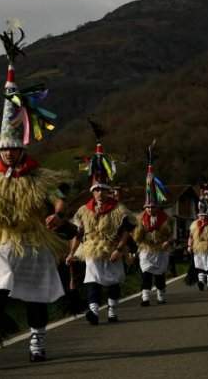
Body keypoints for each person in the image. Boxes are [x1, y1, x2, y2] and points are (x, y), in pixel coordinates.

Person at [0, 22, 66, 369]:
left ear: (21, 149)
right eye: (3, 149)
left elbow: (57, 198)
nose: (8, 153)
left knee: (35, 295)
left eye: (13, 149)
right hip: (2, 242)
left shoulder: (38, 176)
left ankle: (37, 342)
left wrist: (57, 213)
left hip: (33, 242)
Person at [67, 123, 135, 325]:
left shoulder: (118, 209)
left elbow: (126, 230)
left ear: (108, 191)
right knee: (92, 280)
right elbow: (79, 233)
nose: (99, 194)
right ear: (92, 191)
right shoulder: (83, 211)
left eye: (103, 190)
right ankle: (94, 311)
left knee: (113, 281)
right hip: (91, 248)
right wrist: (72, 252)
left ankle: (112, 310)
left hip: (112, 247)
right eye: (96, 190)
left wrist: (120, 249)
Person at [133, 141, 174, 306]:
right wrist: (138, 238)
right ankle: (145, 297)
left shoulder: (165, 219)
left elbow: (170, 235)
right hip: (147, 249)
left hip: (160, 250)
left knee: (160, 274)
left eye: (153, 206)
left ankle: (161, 294)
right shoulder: (140, 219)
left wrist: (166, 242)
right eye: (148, 207)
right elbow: (136, 235)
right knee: (146, 273)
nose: (150, 209)